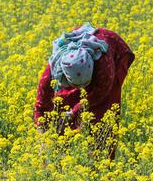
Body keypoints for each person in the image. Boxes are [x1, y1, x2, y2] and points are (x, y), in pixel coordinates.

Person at [33, 23, 135, 159]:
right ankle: (60, 155)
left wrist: (74, 112)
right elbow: (41, 105)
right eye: (75, 84)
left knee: (104, 112)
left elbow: (99, 94)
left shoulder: (104, 66)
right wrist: (44, 136)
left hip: (114, 53)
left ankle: (101, 159)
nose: (81, 88)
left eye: (85, 83)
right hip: (76, 64)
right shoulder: (53, 70)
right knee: (62, 102)